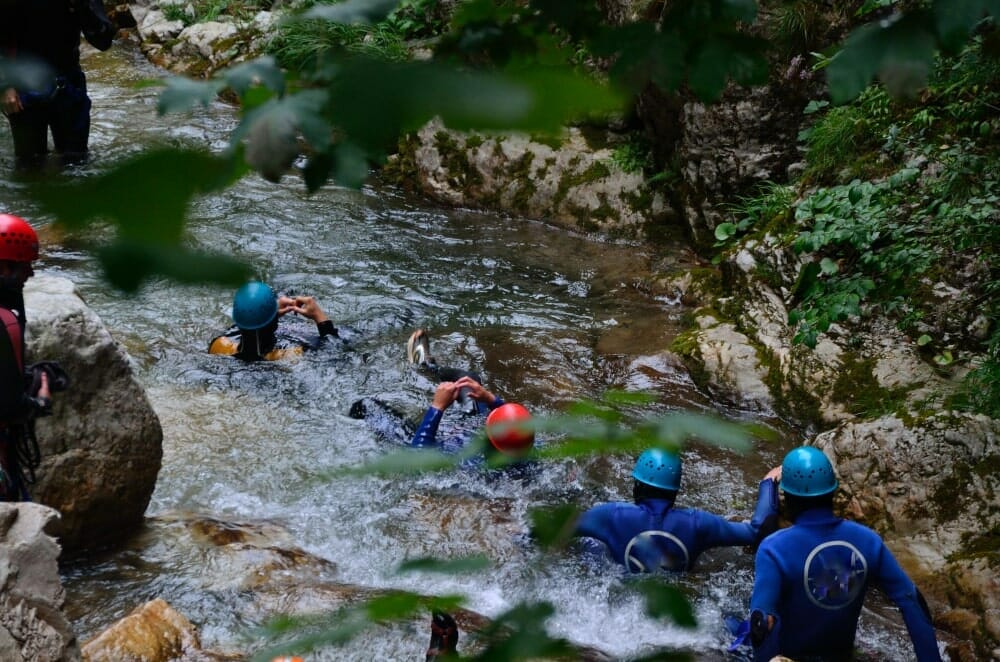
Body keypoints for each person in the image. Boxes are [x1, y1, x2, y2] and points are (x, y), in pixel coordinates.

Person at [746, 446, 942, 661]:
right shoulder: (868, 541)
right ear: (833, 492)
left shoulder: (774, 548)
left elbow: (761, 624)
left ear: (788, 497)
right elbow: (911, 601)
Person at [572, 448, 780, 573]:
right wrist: (768, 483)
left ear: (638, 485)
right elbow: (757, 531)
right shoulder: (698, 523)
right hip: (674, 600)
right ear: (675, 490)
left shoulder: (612, 515)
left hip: (619, 597)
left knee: (590, 543)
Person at [350, 329, 535, 466]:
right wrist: (489, 398)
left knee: (365, 406)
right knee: (468, 380)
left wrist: (437, 407)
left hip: (428, 443)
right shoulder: (528, 448)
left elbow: (418, 460)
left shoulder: (471, 463)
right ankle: (427, 365)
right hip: (464, 431)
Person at [0, 0, 116, 170]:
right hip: (22, 89)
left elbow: (104, 41)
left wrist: (81, 7)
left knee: (76, 164)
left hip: (68, 85)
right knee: (29, 166)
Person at [0, 213, 55, 501]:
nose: (30, 275)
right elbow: (10, 408)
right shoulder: (5, 322)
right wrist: (41, 398)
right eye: (23, 268)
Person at [208, 281, 340, 361]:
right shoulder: (287, 356)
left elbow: (247, 323)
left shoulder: (218, 346)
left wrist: (269, 312)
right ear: (274, 323)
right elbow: (333, 351)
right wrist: (319, 317)